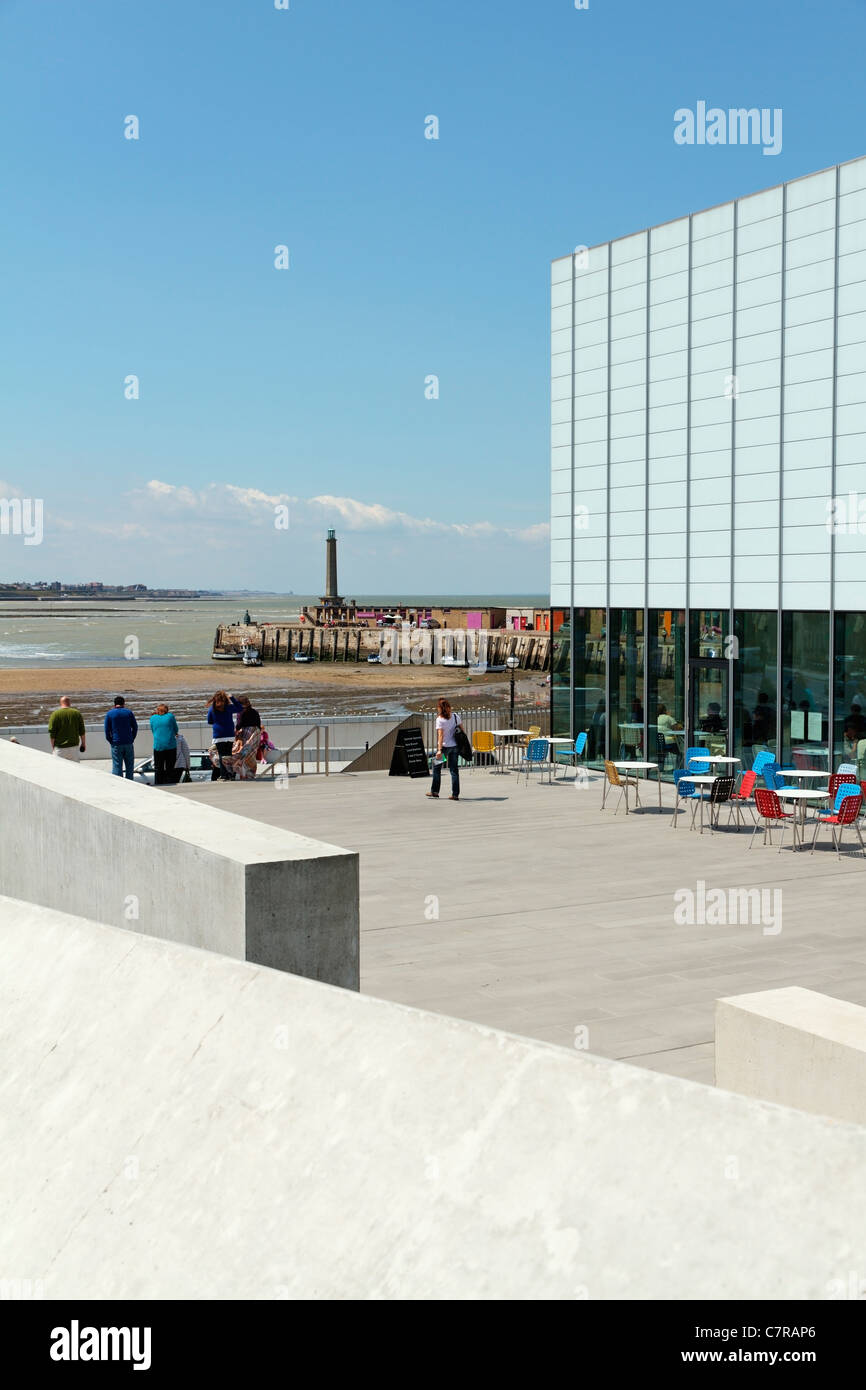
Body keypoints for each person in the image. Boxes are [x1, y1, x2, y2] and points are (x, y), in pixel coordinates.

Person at [427, 697, 461, 801]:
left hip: (444, 747)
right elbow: (462, 731)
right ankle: (455, 794)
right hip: (455, 746)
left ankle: (435, 792)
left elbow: (440, 736)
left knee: (437, 769)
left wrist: (439, 750)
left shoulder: (439, 719)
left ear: (440, 708)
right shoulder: (455, 716)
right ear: (449, 707)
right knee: (454, 770)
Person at [207, 690, 242, 780]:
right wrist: (232, 697)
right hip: (229, 734)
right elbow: (239, 708)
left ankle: (223, 775)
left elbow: (209, 721)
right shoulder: (228, 707)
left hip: (218, 735)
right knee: (228, 754)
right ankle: (230, 774)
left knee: (221, 755)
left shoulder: (212, 709)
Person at [103, 696, 138, 779]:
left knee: (117, 765)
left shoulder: (110, 714)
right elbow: (135, 727)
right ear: (124, 703)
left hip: (116, 743)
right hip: (128, 742)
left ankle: (120, 784)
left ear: (114, 704)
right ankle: (130, 783)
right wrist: (132, 738)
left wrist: (111, 740)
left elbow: (106, 730)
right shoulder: (129, 713)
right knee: (130, 766)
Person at [48, 696, 86, 762]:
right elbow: (82, 731)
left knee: (59, 769)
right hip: (74, 747)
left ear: (60, 703)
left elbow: (52, 733)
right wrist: (83, 744)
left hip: (60, 748)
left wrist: (53, 747)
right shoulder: (77, 713)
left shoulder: (55, 714)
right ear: (69, 703)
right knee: (75, 768)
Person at [149, 702, 179, 786]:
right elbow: (176, 729)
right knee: (170, 767)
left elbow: (153, 730)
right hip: (170, 746)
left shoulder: (153, 718)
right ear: (166, 710)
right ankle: (170, 783)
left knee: (158, 768)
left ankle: (159, 784)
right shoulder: (170, 716)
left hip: (158, 745)